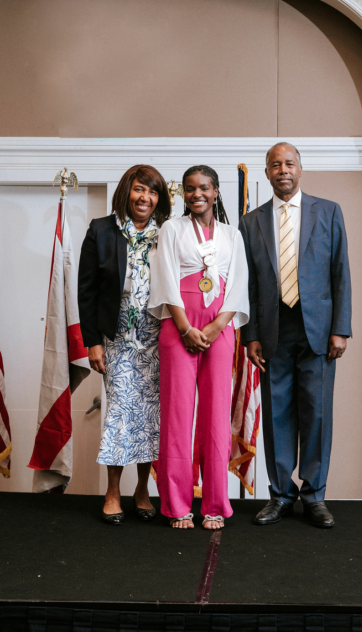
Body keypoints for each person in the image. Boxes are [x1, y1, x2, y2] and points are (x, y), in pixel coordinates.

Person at [239, 142, 351, 528]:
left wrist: (340, 328)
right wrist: (250, 335)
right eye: (275, 165)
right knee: (277, 415)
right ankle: (281, 495)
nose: (282, 170)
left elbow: (341, 273)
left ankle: (314, 496)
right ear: (267, 173)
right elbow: (248, 284)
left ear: (300, 169)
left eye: (289, 163)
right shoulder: (251, 222)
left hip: (318, 331)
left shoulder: (329, 211)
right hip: (273, 331)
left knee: (317, 414)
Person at [149, 166, 249, 530]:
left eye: (204, 188)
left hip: (218, 329)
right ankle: (177, 506)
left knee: (216, 416)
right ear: (184, 194)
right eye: (190, 189)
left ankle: (215, 504)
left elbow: (238, 283)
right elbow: (164, 278)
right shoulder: (172, 228)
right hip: (179, 328)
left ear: (216, 191)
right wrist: (185, 328)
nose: (197, 194)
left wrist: (217, 326)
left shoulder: (231, 234)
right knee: (177, 416)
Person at [78, 165, 171, 525]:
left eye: (152, 192)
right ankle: (113, 491)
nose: (145, 198)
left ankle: (143, 490)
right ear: (126, 192)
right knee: (119, 413)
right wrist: (92, 342)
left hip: (158, 340)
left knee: (151, 416)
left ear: (159, 199)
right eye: (139, 189)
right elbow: (86, 291)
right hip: (117, 339)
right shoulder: (102, 230)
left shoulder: (168, 232)